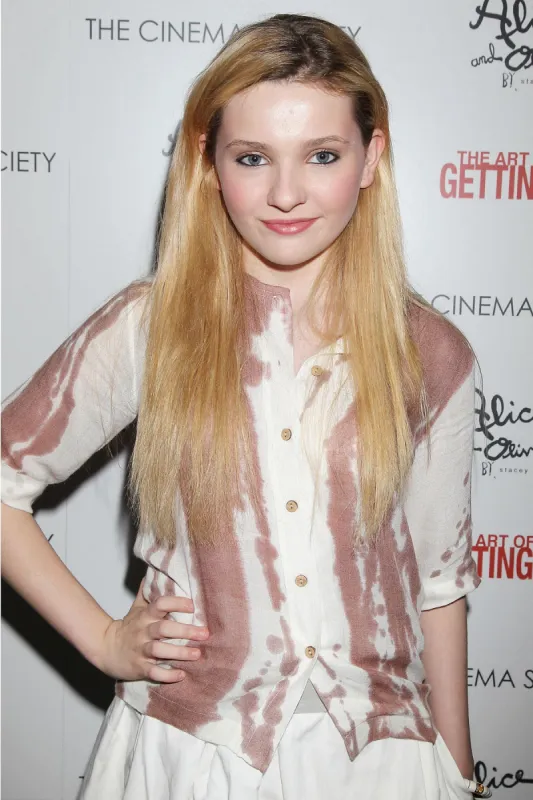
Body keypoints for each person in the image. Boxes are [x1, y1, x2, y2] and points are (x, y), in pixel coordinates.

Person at [1, 12, 488, 800]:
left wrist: (458, 772)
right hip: (194, 755)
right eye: (252, 158)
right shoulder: (149, 328)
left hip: (380, 762)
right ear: (208, 162)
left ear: (370, 158)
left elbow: (438, 584)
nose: (286, 193)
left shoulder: (430, 352)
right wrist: (103, 641)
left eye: (322, 155)